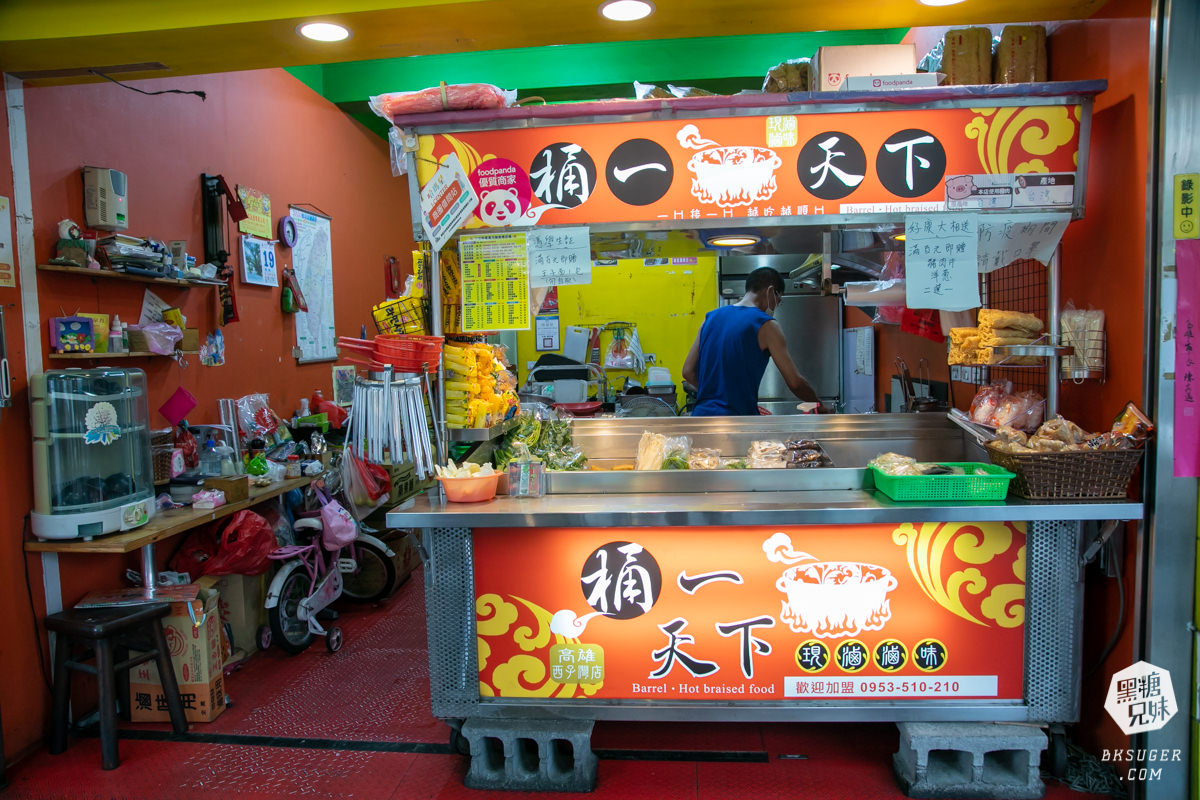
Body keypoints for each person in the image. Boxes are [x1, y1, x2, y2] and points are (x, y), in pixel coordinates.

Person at [682, 266, 818, 416]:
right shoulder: (766, 325)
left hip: (701, 418)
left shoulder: (709, 318)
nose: (776, 306)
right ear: (771, 291)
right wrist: (818, 404)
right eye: (778, 300)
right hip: (737, 421)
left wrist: (718, 396)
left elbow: (688, 372)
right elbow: (795, 383)